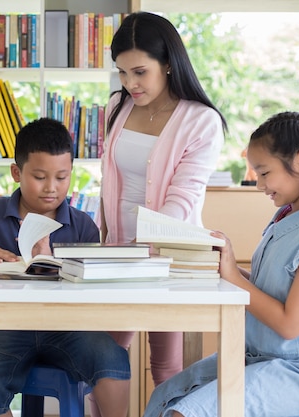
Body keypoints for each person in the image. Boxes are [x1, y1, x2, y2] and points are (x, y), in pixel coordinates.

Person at [145, 111, 299, 417]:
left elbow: (289, 323)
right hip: (261, 359)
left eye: (264, 172)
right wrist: (223, 265)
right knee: (165, 397)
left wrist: (233, 275)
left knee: (186, 413)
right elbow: (269, 289)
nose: (259, 184)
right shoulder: (284, 220)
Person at [0, 117, 131, 417]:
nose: (51, 188)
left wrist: (52, 263)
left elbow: (96, 290)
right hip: (5, 327)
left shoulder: (82, 225)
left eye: (62, 177)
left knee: (112, 358)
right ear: (17, 172)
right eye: (39, 177)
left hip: (69, 327)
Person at [99, 10, 227, 402]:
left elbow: (183, 198)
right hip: (115, 254)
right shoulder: (117, 106)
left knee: (166, 365)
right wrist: (111, 248)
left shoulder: (200, 121)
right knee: (103, 357)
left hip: (169, 257)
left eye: (139, 72)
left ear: (168, 63)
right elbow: (110, 181)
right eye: (122, 73)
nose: (130, 83)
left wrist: (143, 252)